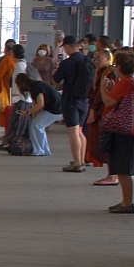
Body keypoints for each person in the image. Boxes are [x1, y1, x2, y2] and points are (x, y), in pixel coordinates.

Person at [99, 49, 134, 213]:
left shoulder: (126, 83)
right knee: (124, 168)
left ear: (120, 66)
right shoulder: (131, 82)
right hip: (132, 130)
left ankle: (127, 203)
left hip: (126, 132)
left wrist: (103, 88)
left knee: (124, 170)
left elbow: (109, 102)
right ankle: (125, 201)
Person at [53, 35, 93, 172]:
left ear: (67, 46)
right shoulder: (88, 60)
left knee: (73, 132)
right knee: (80, 131)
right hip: (85, 100)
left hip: (71, 101)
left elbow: (55, 80)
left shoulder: (67, 63)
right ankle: (81, 160)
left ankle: (77, 164)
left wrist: (56, 68)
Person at [87, 49, 118, 186]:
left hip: (107, 111)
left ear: (108, 59)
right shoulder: (101, 72)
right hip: (103, 110)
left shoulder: (110, 73)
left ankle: (113, 175)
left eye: (99, 58)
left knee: (107, 142)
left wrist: (93, 110)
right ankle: (112, 174)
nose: (96, 61)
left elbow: (102, 93)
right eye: (94, 58)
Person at [16, 73, 62, 156]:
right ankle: (45, 150)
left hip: (55, 108)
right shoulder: (35, 86)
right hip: (56, 107)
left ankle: (39, 150)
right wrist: (34, 118)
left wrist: (27, 112)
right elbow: (35, 105)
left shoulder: (36, 88)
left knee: (37, 126)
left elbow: (40, 104)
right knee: (37, 125)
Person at [0, 40, 18, 137]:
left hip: (5, 88)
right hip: (13, 88)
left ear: (6, 50)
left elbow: (0, 74)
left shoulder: (6, 60)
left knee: (5, 110)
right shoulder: (15, 61)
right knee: (11, 110)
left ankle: (7, 133)